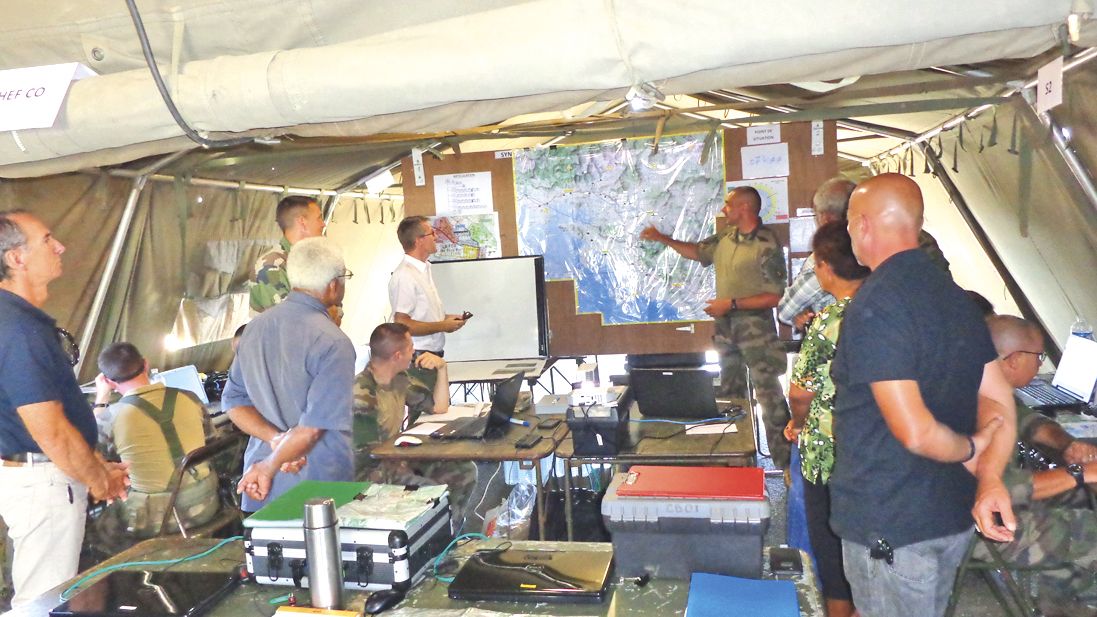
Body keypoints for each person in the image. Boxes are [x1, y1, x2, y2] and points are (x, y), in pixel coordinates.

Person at [828, 174, 1016, 617]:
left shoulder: (877, 305)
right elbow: (998, 400)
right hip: (947, 515)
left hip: (892, 522)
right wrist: (988, 477)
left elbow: (915, 431)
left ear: (864, 225)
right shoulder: (954, 297)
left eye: (852, 224)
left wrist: (969, 448)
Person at [0, 210, 129, 606]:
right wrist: (98, 478)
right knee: (42, 599)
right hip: (44, 482)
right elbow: (49, 429)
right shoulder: (18, 329)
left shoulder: (18, 321)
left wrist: (93, 464)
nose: (60, 246)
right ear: (16, 259)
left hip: (41, 473)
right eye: (47, 239)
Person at [640, 187, 792, 468]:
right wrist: (662, 239)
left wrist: (732, 304)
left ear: (744, 207)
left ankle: (786, 467)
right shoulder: (725, 236)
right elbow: (698, 253)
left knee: (770, 402)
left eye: (728, 205)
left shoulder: (766, 242)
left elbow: (775, 295)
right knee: (730, 399)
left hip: (757, 335)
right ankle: (735, 465)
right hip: (726, 333)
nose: (724, 210)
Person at [224, 236, 356, 511]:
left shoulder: (254, 330)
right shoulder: (333, 342)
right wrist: (269, 467)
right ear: (333, 285)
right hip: (318, 486)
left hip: (263, 488)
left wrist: (273, 441)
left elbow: (235, 403)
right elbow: (310, 431)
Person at [783, 221, 870, 617]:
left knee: (831, 544)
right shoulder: (886, 308)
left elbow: (801, 391)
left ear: (825, 267)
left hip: (830, 447)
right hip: (878, 446)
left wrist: (798, 426)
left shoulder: (828, 321)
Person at [983, 314, 1097, 614]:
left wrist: (1067, 445)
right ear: (1014, 359)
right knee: (1090, 528)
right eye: (1038, 357)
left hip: (993, 511)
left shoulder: (990, 390)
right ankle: (1061, 603)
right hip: (984, 527)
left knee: (1082, 498)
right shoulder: (975, 405)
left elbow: (1030, 423)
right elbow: (1001, 490)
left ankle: (1058, 602)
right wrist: (1078, 472)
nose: (1039, 364)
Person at [778, 176, 951, 331]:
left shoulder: (831, 253)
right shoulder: (922, 240)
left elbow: (787, 310)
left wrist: (805, 312)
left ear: (825, 217)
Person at [353, 323, 479, 530]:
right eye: (411, 347)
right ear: (397, 356)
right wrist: (403, 460)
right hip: (368, 471)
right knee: (434, 492)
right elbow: (367, 455)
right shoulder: (362, 393)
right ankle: (431, 538)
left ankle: (450, 531)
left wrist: (441, 368)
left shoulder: (398, 379)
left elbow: (439, 407)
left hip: (393, 458)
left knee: (463, 471)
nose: (414, 352)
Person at [92, 343, 219, 537]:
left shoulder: (110, 417)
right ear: (146, 364)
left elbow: (92, 455)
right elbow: (211, 442)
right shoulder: (190, 397)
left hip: (153, 520)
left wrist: (101, 397)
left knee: (97, 525)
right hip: (206, 505)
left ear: (109, 381)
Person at [389, 216, 467, 357]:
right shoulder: (405, 275)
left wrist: (448, 320)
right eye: (432, 233)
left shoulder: (424, 269)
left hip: (430, 355)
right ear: (419, 240)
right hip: (417, 357)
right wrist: (442, 326)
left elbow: (424, 315)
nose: (436, 237)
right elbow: (402, 323)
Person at [250, 195, 327, 314]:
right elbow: (289, 318)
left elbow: (335, 307)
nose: (323, 224)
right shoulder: (271, 266)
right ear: (302, 222)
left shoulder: (314, 260)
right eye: (319, 218)